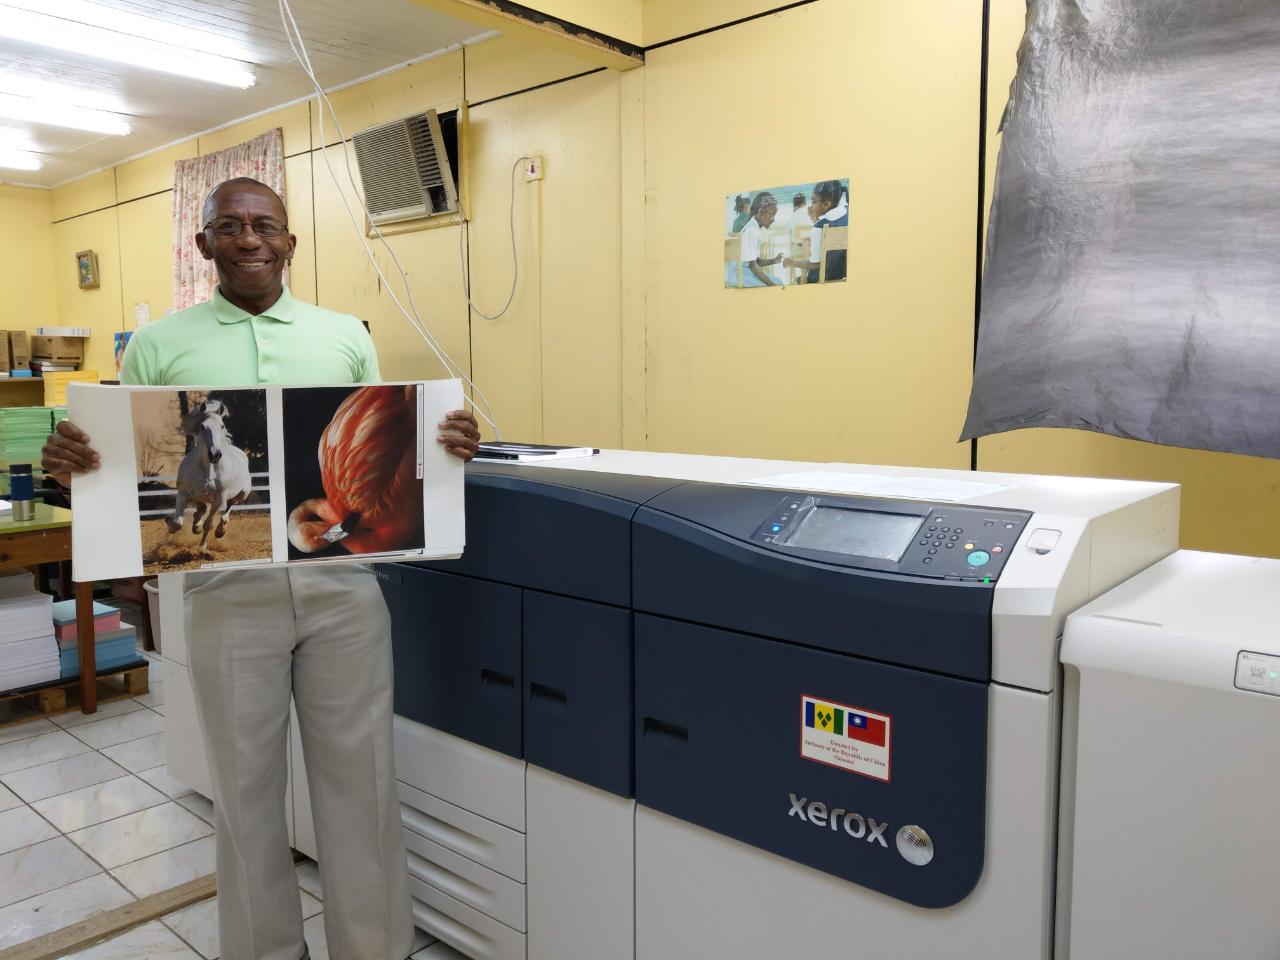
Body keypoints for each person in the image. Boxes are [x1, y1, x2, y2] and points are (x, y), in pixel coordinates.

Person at [41, 177, 480, 960]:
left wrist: (444, 450)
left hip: (343, 589)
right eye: (231, 226)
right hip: (223, 593)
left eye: (265, 225)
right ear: (203, 243)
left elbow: (378, 445)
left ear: (290, 242)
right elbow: (125, 473)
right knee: (244, 796)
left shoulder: (343, 336)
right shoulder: (157, 346)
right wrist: (74, 466)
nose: (250, 239)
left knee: (363, 784)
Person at [785, 179, 849, 283]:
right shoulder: (848, 211)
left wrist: (792, 263)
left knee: (801, 279)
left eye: (814, 201)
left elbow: (814, 264)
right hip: (843, 275)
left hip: (824, 278)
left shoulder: (818, 228)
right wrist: (816, 221)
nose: (811, 206)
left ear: (826, 204)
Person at [736, 192, 785, 287]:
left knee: (777, 281)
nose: (773, 219)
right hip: (740, 274)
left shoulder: (753, 226)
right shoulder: (752, 230)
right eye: (772, 215)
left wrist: (773, 261)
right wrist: (772, 285)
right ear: (761, 212)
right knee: (777, 283)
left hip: (743, 271)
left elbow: (753, 261)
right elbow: (752, 266)